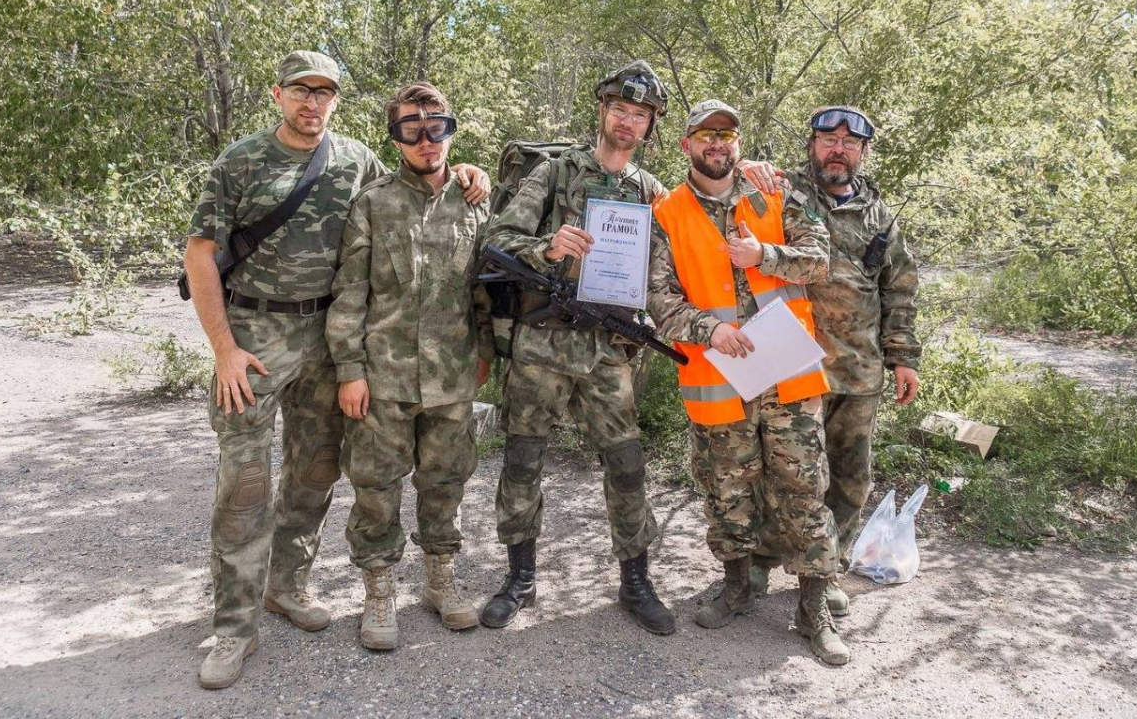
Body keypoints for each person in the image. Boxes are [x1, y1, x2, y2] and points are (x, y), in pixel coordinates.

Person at [184, 51, 489, 688]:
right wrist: (223, 348)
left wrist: (468, 171)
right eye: (301, 91)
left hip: (326, 340)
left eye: (324, 93)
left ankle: (285, 587)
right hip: (254, 337)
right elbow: (202, 253)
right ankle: (233, 627)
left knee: (315, 470)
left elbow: (417, 186)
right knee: (243, 484)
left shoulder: (355, 160)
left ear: (337, 102)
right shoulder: (241, 161)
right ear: (278, 95)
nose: (312, 103)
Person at [647, 98, 849, 665]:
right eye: (705, 135)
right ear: (686, 145)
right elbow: (659, 299)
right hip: (716, 375)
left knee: (804, 490)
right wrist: (708, 330)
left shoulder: (776, 191)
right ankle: (737, 586)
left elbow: (818, 260)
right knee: (725, 490)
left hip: (787, 375)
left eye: (727, 135)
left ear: (738, 143)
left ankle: (814, 608)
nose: (717, 144)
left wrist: (764, 253)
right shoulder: (667, 211)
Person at [479, 60, 675, 635]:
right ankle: (520, 578)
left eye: (640, 116)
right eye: (621, 110)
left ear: (649, 126)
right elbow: (497, 239)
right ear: (603, 111)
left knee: (627, 464)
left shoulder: (649, 191)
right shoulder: (555, 172)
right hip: (543, 341)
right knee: (522, 463)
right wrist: (549, 244)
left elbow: (674, 260)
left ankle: (635, 580)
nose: (628, 123)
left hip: (607, 349)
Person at [326, 82, 494, 650]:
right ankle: (378, 591)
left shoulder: (475, 203)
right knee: (376, 486)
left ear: (451, 129)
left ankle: (439, 581)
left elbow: (485, 291)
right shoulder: (373, 203)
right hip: (384, 376)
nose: (426, 140)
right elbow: (350, 294)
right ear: (395, 137)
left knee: (446, 481)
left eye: (436, 127)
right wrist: (349, 369)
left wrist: (486, 354)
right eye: (411, 130)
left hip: (451, 375)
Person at [739, 105, 921, 616]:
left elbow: (899, 290)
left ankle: (828, 566)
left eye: (848, 142)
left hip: (858, 368)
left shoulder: (881, 217)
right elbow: (728, 187)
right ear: (812, 145)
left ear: (863, 151)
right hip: (791, 364)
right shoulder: (783, 191)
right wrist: (748, 166)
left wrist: (903, 357)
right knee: (785, 472)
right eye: (827, 139)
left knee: (848, 475)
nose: (837, 148)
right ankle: (761, 559)